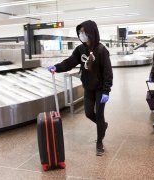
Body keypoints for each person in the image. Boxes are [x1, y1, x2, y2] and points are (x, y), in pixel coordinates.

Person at [47, 20, 113, 156]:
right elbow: (70, 62)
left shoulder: (101, 50)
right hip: (88, 87)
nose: (81, 34)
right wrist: (57, 67)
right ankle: (103, 126)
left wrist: (107, 90)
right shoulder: (80, 49)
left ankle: (99, 142)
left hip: (101, 88)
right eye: (80, 32)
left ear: (91, 32)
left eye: (84, 32)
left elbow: (108, 72)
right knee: (89, 113)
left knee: (99, 114)